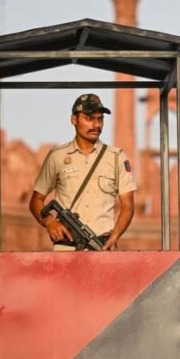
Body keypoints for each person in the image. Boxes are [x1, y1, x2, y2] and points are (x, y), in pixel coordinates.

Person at [28, 94, 136, 251]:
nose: (96, 125)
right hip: (67, 249)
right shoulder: (57, 156)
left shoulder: (116, 157)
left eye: (100, 119)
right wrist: (50, 222)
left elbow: (128, 206)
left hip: (103, 248)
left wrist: (114, 238)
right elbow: (36, 201)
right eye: (89, 118)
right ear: (74, 120)